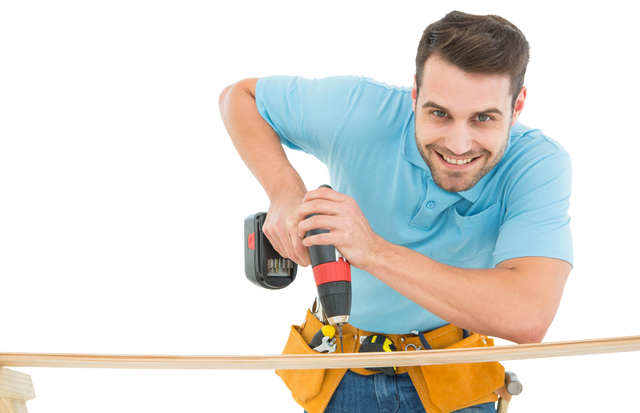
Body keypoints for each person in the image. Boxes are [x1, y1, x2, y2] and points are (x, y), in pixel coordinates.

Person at [217, 7, 575, 413]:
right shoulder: (357, 108)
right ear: (415, 92)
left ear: (518, 106)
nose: (459, 145)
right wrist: (285, 192)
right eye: (439, 113)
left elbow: (528, 316)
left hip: (452, 371)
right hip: (339, 364)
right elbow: (238, 96)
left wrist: (371, 250)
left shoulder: (541, 163)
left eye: (483, 119)